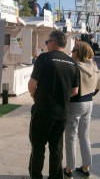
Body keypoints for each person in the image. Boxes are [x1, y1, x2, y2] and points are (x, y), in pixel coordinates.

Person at [28, 30, 79, 179]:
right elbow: (75, 91)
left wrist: (35, 96)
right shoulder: (72, 63)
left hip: (42, 111)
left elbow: (32, 85)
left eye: (47, 42)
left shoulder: (44, 58)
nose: (46, 45)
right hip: (61, 113)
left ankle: (36, 176)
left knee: (38, 147)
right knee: (56, 149)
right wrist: (60, 96)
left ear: (53, 42)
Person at [63, 41, 100, 179]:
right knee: (84, 136)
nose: (71, 52)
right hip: (89, 102)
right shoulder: (94, 66)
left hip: (75, 104)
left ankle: (69, 169)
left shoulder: (74, 67)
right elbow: (98, 86)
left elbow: (72, 90)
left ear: (80, 53)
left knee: (71, 137)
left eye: (74, 50)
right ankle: (85, 167)